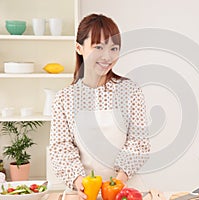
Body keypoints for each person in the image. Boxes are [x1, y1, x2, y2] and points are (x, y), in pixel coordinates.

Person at [49, 13, 150, 199]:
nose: (107, 56)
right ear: (79, 48)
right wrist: (80, 182)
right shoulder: (64, 98)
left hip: (126, 189)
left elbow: (139, 142)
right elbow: (61, 147)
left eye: (114, 48)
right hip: (82, 192)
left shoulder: (130, 91)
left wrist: (118, 182)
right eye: (98, 47)